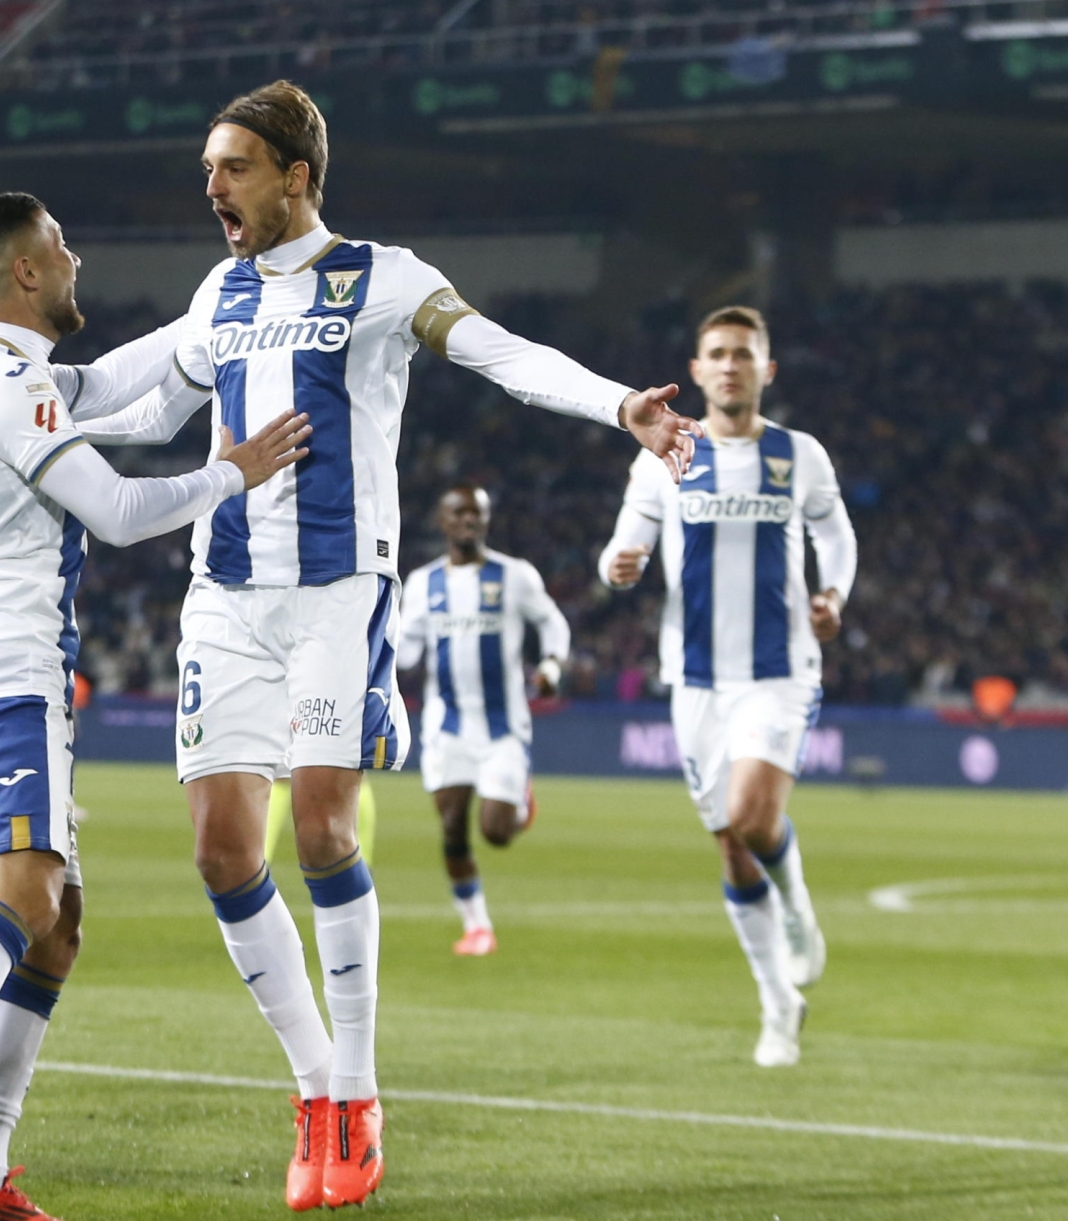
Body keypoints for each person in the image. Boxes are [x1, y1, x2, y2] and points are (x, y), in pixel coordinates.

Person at [43, 80, 699, 1211]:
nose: (212, 189)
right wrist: (11, 404)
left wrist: (617, 409)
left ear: (296, 175)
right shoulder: (223, 291)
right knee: (219, 853)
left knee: (322, 829)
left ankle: (352, 1095)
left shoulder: (384, 278)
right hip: (227, 595)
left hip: (342, 592)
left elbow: (498, 352)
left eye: (232, 168)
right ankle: (311, 1085)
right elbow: (143, 410)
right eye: (208, 170)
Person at [0, 192, 309, 1221]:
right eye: (60, 245)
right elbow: (116, 509)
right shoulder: (3, 384)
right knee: (24, 893)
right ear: (25, 272)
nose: (76, 257)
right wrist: (230, 473)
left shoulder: (11, 377)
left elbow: (104, 382)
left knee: (52, 926)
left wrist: (224, 313)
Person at [597, 304, 854, 1068]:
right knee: (730, 847)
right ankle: (779, 1006)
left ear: (765, 370)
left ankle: (799, 904)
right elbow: (628, 535)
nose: (731, 364)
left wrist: (833, 596)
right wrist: (621, 561)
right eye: (718, 353)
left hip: (778, 670)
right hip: (696, 678)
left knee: (750, 813)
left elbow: (836, 536)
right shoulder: (667, 454)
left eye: (745, 353)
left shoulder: (798, 455)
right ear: (699, 369)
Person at [396, 483, 570, 956]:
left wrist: (552, 665)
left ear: (487, 520)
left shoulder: (514, 576)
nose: (468, 521)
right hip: (446, 725)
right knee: (452, 825)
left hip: (502, 727)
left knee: (494, 832)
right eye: (459, 513)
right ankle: (477, 926)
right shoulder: (423, 583)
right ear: (443, 521)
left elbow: (553, 622)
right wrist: (386, 655)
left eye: (476, 513)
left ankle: (520, 805)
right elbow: (408, 649)